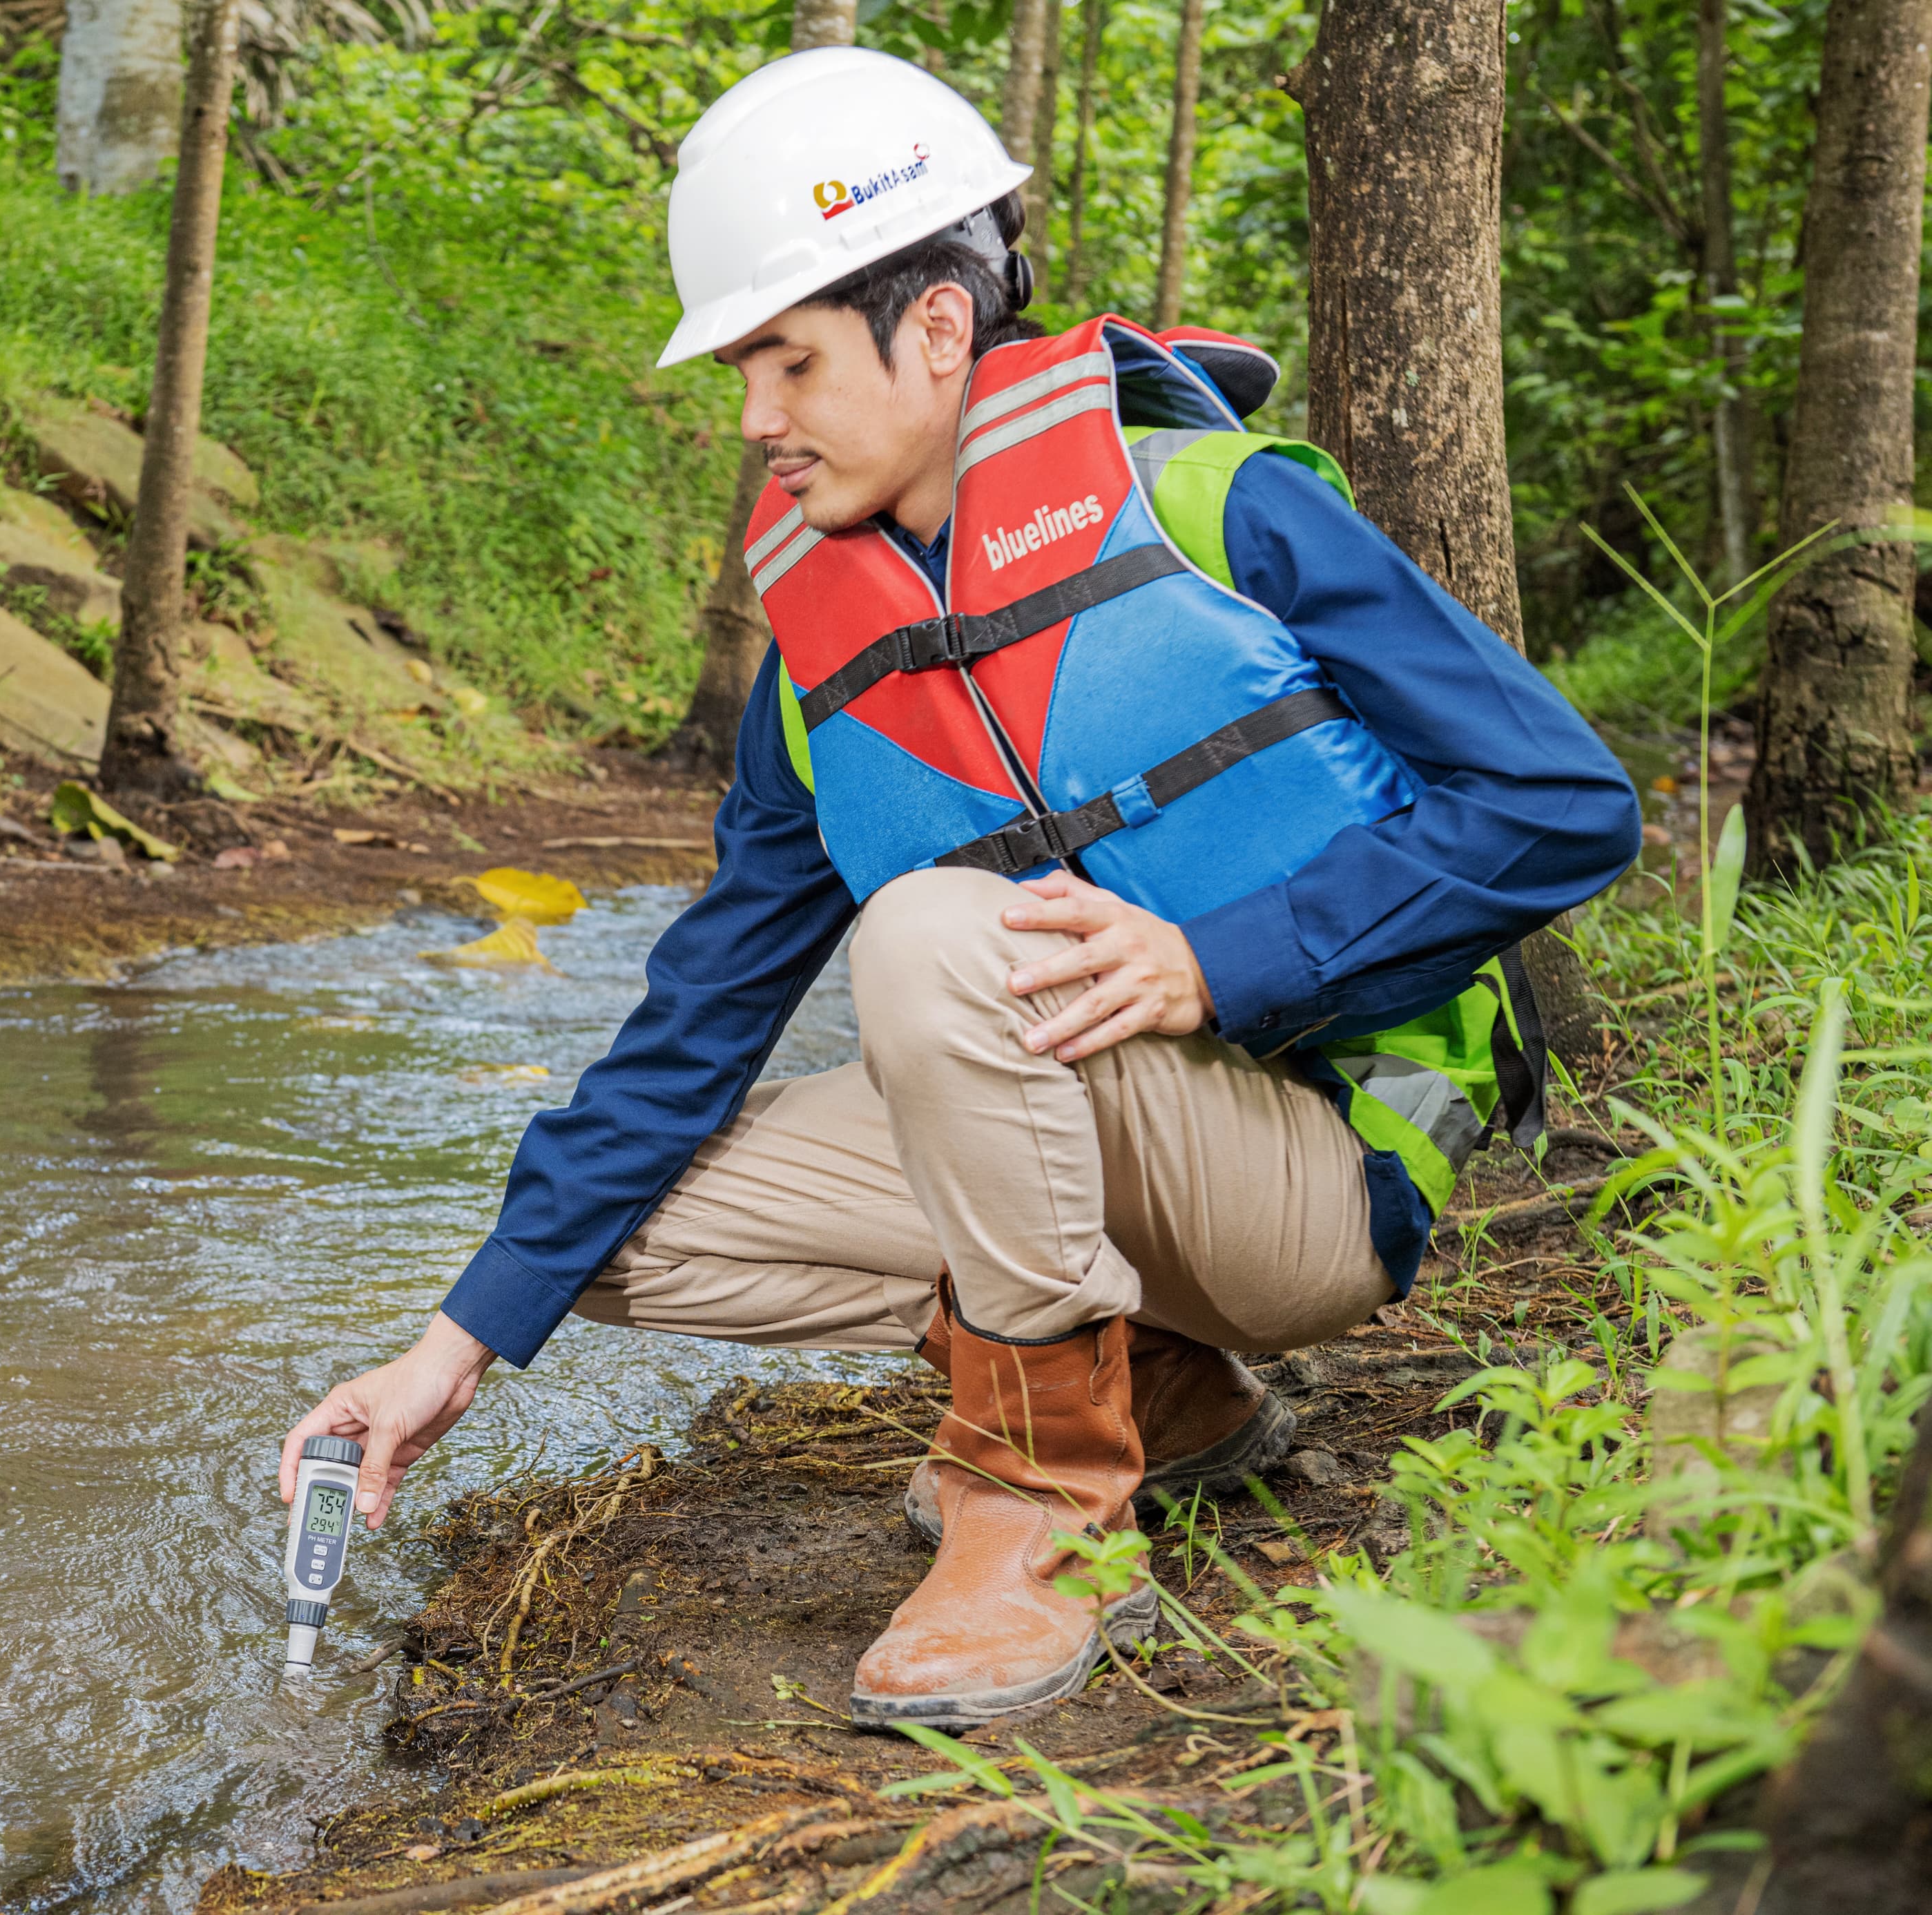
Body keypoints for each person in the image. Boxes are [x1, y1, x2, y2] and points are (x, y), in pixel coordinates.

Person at [279, 47, 1641, 1726]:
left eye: (787, 360)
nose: (756, 420)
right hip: (1104, 1152)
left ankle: (1045, 1508)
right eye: (745, 370)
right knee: (605, 1239)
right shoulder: (815, 669)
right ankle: (1161, 1388)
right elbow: (697, 1018)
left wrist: (1218, 960)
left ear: (934, 327)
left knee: (930, 932)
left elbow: (1563, 804)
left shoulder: (1215, 509)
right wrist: (453, 1348)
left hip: (1317, 1178)